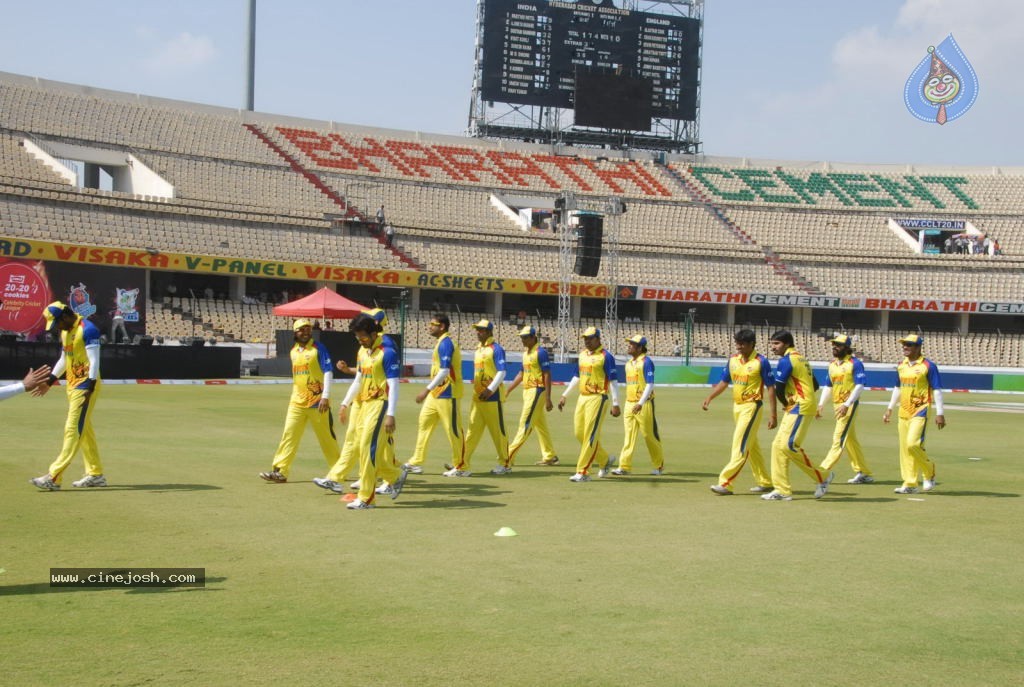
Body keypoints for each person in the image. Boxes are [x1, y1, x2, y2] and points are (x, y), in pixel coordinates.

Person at [316, 307, 396, 493]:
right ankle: (340, 477)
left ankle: (388, 478)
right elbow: (363, 374)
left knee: (377, 444)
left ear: (375, 324)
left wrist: (390, 412)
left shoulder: (387, 346)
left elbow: (386, 376)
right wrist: (346, 401)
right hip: (362, 400)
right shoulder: (364, 348)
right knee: (356, 440)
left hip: (378, 400)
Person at [30, 302, 106, 490]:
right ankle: (95, 474)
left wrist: (90, 387)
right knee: (84, 430)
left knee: (73, 429)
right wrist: (49, 381)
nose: (57, 328)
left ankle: (54, 477)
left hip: (85, 386)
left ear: (65, 316)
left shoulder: (88, 330)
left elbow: (95, 361)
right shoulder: (65, 333)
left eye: (57, 323)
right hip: (72, 386)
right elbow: (64, 359)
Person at [259, 319, 339, 483]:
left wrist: (325, 396)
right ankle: (280, 471)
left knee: (327, 439)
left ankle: (338, 470)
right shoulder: (294, 351)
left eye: (308, 329)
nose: (306, 332)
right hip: (297, 402)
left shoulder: (318, 348)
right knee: (289, 436)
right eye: (302, 330)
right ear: (295, 332)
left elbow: (328, 372)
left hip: (318, 402)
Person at [340, 313, 405, 509]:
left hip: (380, 404)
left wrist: (391, 414)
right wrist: (345, 403)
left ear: (374, 332)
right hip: (364, 404)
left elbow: (393, 385)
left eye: (364, 337)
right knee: (361, 446)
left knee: (368, 448)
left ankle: (367, 498)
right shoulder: (362, 352)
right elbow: (359, 380)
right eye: (358, 337)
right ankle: (395, 475)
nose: (361, 340)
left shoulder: (387, 353)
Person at [701, 329, 775, 495]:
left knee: (740, 445)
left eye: (742, 344)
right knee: (752, 446)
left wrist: (773, 414)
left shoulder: (761, 361)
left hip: (752, 407)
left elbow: (770, 388)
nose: (739, 347)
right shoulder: (733, 360)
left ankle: (726, 483)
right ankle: (765, 481)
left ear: (751, 344)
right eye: (737, 343)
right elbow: (724, 382)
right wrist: (710, 397)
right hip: (737, 407)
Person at [762, 330, 833, 501]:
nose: (773, 347)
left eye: (776, 344)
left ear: (786, 344)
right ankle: (782, 490)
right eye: (772, 343)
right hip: (800, 404)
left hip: (800, 406)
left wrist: (787, 404)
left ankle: (822, 477)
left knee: (789, 446)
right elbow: (814, 384)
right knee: (777, 446)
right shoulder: (801, 359)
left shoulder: (786, 361)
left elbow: (778, 388)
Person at [883, 334, 946, 494]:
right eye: (904, 344)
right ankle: (910, 484)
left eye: (909, 345)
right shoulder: (901, 365)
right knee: (905, 449)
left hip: (920, 410)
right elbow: (898, 388)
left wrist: (940, 413)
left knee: (913, 444)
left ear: (918, 347)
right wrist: (890, 408)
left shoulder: (928, 366)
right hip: (903, 411)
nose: (905, 347)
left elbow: (937, 390)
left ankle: (929, 471)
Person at [404, 313, 466, 474]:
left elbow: (445, 370)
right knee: (424, 423)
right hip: (437, 393)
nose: (429, 326)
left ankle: (461, 465)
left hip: (448, 392)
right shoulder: (441, 343)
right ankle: (416, 461)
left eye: (433, 324)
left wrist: (426, 390)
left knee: (452, 429)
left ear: (442, 326)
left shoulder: (446, 343)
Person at [557, 327, 620, 482]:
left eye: (590, 338)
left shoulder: (606, 356)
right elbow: (577, 376)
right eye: (585, 338)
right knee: (579, 433)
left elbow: (613, 381)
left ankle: (583, 472)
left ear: (598, 339)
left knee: (590, 435)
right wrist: (565, 395)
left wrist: (616, 403)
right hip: (583, 397)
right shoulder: (582, 355)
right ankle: (604, 461)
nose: (587, 341)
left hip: (598, 398)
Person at [816, 334, 873, 484]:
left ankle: (822, 471)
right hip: (837, 404)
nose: (835, 347)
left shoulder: (855, 363)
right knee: (850, 441)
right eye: (833, 344)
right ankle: (864, 472)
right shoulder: (832, 365)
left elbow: (860, 385)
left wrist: (847, 404)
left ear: (847, 348)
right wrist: (821, 404)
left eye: (839, 345)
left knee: (838, 438)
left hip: (848, 405)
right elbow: (828, 386)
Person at [502, 325, 559, 469]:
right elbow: (521, 374)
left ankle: (508, 457)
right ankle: (550, 455)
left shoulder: (541, 353)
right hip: (527, 391)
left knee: (524, 424)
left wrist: (547, 397)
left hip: (537, 391)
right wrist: (508, 390)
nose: (523, 340)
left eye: (525, 337)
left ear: (534, 337)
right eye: (521, 337)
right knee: (541, 426)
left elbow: (547, 375)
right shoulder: (526, 353)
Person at [610, 335, 664, 476]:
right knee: (628, 436)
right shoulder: (628, 364)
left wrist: (640, 403)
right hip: (629, 403)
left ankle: (658, 465)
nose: (629, 346)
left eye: (632, 344)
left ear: (640, 348)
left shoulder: (646, 362)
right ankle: (624, 466)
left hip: (644, 404)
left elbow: (650, 384)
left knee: (649, 435)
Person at [462, 319, 509, 476]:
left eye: (481, 330)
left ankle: (504, 464)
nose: (478, 332)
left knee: (498, 433)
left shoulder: (496, 349)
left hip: (492, 398)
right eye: (477, 329)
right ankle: (462, 463)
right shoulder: (478, 350)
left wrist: (490, 389)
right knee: (471, 432)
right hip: (478, 398)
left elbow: (502, 372)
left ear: (489, 332)